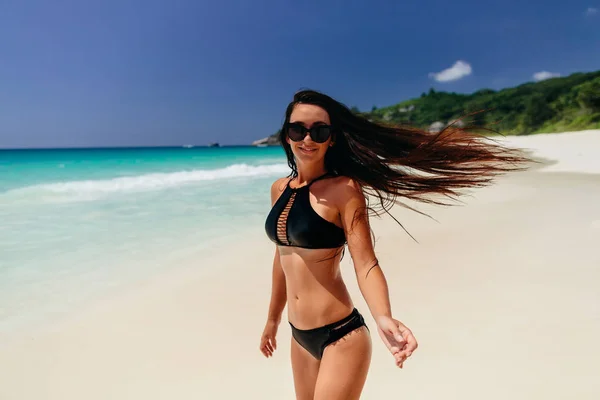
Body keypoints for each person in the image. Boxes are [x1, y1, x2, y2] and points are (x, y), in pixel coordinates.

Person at [259, 89, 529, 399]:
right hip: (299, 337)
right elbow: (282, 258)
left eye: (319, 131)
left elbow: (366, 263)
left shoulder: (344, 190)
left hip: (340, 336)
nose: (307, 139)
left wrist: (383, 316)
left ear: (331, 138)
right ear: (287, 134)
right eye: (298, 129)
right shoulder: (279, 189)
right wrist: (272, 320)